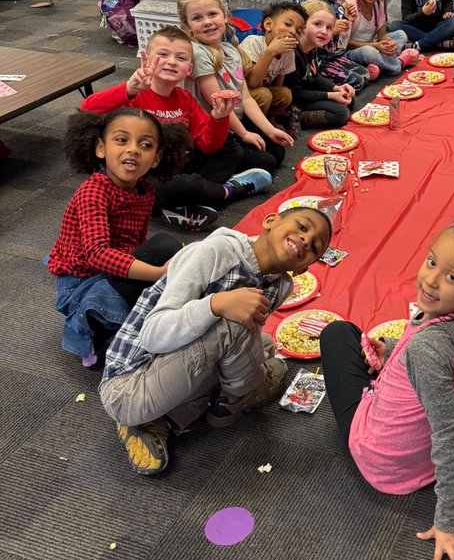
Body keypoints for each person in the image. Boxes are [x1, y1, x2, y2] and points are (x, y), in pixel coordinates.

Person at [318, 220, 454, 560]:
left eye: (451, 277)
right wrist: (391, 350)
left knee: (338, 333)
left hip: (382, 458)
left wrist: (451, 522)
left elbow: (451, 437)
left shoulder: (426, 349)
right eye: (432, 262)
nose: (431, 280)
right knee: (360, 340)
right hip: (420, 456)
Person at [99, 205, 332, 476]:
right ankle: (230, 403)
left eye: (315, 246)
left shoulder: (281, 285)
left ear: (303, 269)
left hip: (170, 367)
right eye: (302, 227)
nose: (306, 239)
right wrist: (216, 304)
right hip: (128, 387)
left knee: (264, 342)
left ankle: (166, 419)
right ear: (270, 221)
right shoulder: (215, 252)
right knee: (237, 326)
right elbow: (152, 335)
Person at [80, 26, 264, 234]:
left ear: (189, 69)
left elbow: (209, 145)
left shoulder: (184, 98)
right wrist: (129, 89)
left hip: (174, 165)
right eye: (163, 55)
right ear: (146, 60)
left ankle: (189, 202)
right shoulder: (135, 94)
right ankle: (226, 191)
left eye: (181, 58)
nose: (172, 62)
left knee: (232, 150)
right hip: (141, 174)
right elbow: (87, 108)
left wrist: (218, 118)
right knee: (186, 185)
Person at [48, 109, 188, 367]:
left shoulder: (144, 191)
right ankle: (88, 326)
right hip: (82, 279)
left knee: (172, 251)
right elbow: (97, 254)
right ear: (101, 148)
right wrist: (157, 273)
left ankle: (124, 318)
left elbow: (137, 241)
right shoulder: (93, 191)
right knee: (164, 251)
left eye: (145, 145)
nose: (133, 149)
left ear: (156, 158)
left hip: (113, 267)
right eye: (122, 140)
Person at [178, 0, 293, 175]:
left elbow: (246, 98)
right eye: (197, 18)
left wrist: (269, 130)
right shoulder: (198, 53)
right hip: (211, 129)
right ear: (188, 25)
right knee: (267, 161)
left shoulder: (230, 50)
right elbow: (218, 105)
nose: (207, 22)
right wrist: (244, 134)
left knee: (277, 153)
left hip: (233, 123)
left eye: (212, 14)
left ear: (224, 16)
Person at [299, 0, 369, 92]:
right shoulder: (311, 0)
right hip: (313, 60)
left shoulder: (336, 1)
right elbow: (302, 38)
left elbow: (341, 45)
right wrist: (332, 30)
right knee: (357, 82)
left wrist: (347, 20)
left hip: (331, 57)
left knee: (365, 75)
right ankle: (313, 88)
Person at [286, 0, 356, 129]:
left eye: (329, 27)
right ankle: (292, 117)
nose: (324, 31)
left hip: (307, 92)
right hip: (295, 99)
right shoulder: (293, 53)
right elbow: (295, 94)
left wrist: (336, 88)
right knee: (341, 113)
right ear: (302, 24)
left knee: (350, 99)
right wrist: (330, 95)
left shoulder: (313, 47)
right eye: (317, 24)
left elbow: (315, 76)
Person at [345, 0, 417, 80]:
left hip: (373, 43)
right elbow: (346, 43)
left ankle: (380, 66)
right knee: (368, 52)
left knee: (401, 35)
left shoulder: (378, 4)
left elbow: (382, 35)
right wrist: (375, 45)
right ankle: (398, 63)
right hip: (352, 52)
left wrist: (390, 43)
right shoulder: (349, 6)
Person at [241, 1, 306, 127]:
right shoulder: (252, 42)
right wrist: (270, 52)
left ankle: (269, 120)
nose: (293, 32)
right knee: (264, 94)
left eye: (299, 31)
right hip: (244, 94)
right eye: (288, 24)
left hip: (264, 94)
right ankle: (254, 127)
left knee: (285, 93)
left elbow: (277, 86)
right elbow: (252, 82)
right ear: (268, 24)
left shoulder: (288, 54)